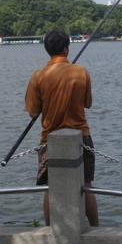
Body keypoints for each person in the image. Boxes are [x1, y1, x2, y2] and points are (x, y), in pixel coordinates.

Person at [24, 29, 99, 226]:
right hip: (82, 136)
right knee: (87, 185)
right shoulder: (81, 72)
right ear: (66, 48)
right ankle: (96, 228)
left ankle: (50, 231)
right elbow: (88, 103)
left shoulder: (38, 76)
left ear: (47, 50)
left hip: (50, 139)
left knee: (50, 188)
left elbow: (32, 112)